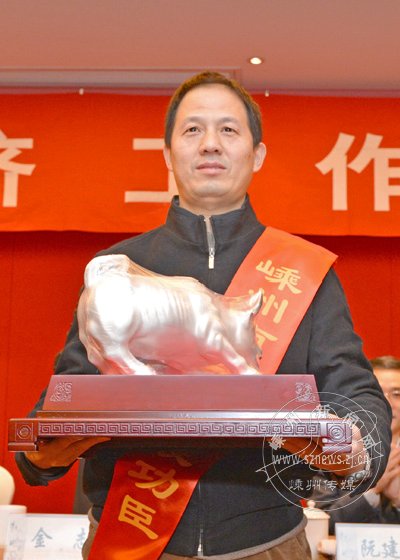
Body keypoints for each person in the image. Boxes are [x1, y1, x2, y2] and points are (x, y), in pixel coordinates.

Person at [15, 72, 391, 560]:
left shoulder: (304, 272)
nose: (210, 143)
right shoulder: (117, 268)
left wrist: (360, 444)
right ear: (168, 155)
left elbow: (356, 392)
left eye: (228, 130)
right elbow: (69, 394)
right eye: (192, 129)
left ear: (257, 154)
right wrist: (43, 449)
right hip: (130, 539)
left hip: (269, 544)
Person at [312, 356, 400, 534]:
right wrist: (374, 490)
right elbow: (324, 523)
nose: (387, 403)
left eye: (397, 394)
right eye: (377, 393)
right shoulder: (330, 449)